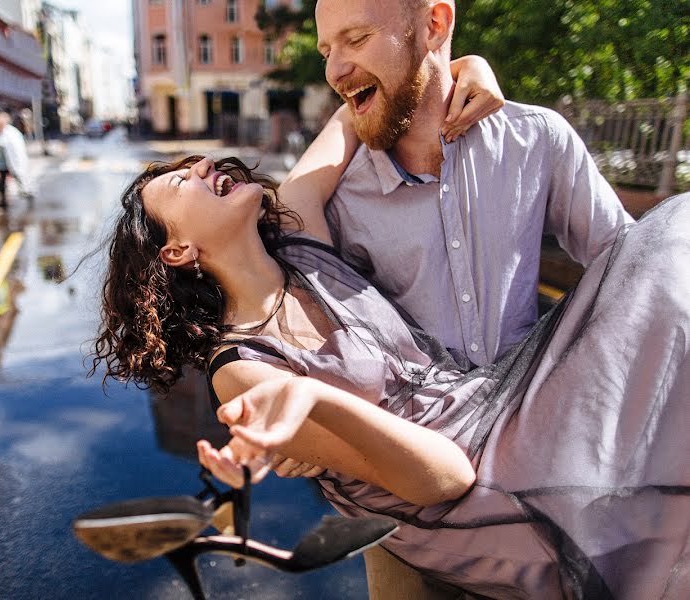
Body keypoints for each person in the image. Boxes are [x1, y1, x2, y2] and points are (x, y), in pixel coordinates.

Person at [92, 155, 688, 599]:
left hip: (493, 405)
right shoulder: (245, 373)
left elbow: (359, 97)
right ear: (177, 251)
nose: (202, 165)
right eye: (180, 182)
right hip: (478, 498)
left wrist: (468, 68)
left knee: (670, 240)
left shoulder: (300, 243)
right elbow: (444, 481)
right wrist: (311, 398)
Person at [282, 0, 633, 371]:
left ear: (434, 24)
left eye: (356, 39)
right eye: (326, 53)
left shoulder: (535, 139)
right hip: (419, 426)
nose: (334, 71)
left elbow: (631, 262)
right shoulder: (339, 201)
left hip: (534, 419)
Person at [0, 111, 34, 207]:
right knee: (2, 181)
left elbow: (18, 149)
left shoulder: (12, 133)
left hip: (14, 161)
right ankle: (3, 199)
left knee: (21, 177)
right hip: (2, 163)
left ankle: (28, 193)